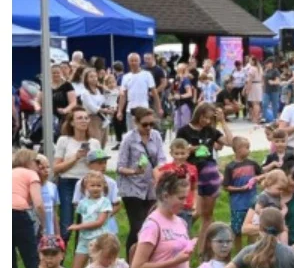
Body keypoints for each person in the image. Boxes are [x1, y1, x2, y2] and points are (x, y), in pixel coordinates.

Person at [174, 103, 232, 239]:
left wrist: (222, 122)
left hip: (208, 174)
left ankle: (202, 250)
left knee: (206, 213)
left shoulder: (210, 131)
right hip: (190, 175)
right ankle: (182, 231)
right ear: (198, 114)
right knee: (193, 211)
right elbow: (177, 150)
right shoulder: (184, 131)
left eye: (209, 119)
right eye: (204, 117)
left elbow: (230, 142)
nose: (206, 121)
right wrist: (193, 148)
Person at [116, 108, 166, 259]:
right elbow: (119, 166)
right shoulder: (129, 139)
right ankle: (131, 260)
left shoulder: (156, 136)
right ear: (136, 122)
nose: (149, 128)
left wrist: (159, 169)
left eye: (152, 124)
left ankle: (146, 258)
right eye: (145, 125)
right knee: (137, 226)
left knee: (149, 225)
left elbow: (161, 158)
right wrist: (134, 171)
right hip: (132, 187)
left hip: (151, 186)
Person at [53, 107, 103, 243]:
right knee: (66, 224)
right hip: (67, 183)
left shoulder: (94, 143)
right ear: (72, 123)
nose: (84, 121)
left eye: (86, 118)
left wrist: (88, 160)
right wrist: (75, 157)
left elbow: (100, 169)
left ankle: (79, 261)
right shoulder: (64, 140)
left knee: (85, 225)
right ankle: (58, 260)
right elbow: (56, 168)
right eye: (79, 118)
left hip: (88, 184)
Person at [14, 149, 46, 268]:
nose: (38, 165)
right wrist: (43, 223)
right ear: (28, 162)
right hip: (19, 215)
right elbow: (39, 203)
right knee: (32, 261)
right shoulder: (30, 175)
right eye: (36, 161)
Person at [222, 137, 262, 253]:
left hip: (253, 202)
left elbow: (262, 175)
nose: (249, 150)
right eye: (247, 148)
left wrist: (257, 179)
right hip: (238, 204)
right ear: (239, 149)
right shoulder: (230, 167)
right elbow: (226, 186)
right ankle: (239, 252)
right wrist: (240, 188)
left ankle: (252, 251)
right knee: (237, 230)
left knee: (252, 228)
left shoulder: (253, 163)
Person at [68, 171, 113, 268]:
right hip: (84, 239)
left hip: (98, 238)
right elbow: (81, 217)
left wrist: (78, 226)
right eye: (92, 185)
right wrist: (79, 227)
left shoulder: (105, 202)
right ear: (86, 187)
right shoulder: (83, 203)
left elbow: (99, 222)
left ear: (103, 186)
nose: (95, 188)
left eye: (98, 185)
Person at [154, 139, 200, 232]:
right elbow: (159, 185)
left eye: (182, 153)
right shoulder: (166, 168)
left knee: (184, 233)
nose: (179, 156)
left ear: (188, 153)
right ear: (171, 153)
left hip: (186, 206)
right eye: (177, 153)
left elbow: (195, 188)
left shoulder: (192, 169)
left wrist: (195, 204)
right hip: (170, 206)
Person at [72, 150, 121, 237]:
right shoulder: (81, 183)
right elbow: (76, 204)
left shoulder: (111, 183)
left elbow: (117, 205)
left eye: (105, 163)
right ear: (89, 164)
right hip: (88, 223)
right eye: (99, 163)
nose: (103, 166)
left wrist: (105, 216)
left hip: (108, 223)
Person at [170, 64, 197, 132]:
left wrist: (180, 96)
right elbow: (174, 92)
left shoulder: (186, 80)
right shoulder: (177, 80)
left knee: (184, 126)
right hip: (177, 105)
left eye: (179, 70)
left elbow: (189, 93)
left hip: (185, 105)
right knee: (177, 126)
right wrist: (172, 97)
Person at [244, 56, 264, 124]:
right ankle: (257, 117)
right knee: (257, 103)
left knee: (254, 103)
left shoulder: (252, 69)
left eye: (250, 60)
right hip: (259, 85)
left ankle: (255, 118)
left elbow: (250, 80)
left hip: (254, 86)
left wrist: (247, 89)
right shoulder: (260, 68)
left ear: (253, 61)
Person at [262, 58, 282, 124]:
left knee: (274, 105)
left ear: (272, 63)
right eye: (266, 63)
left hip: (274, 90)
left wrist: (273, 82)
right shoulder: (266, 71)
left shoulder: (275, 71)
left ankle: (275, 118)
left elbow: (278, 81)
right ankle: (264, 117)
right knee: (264, 103)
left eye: (268, 63)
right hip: (266, 90)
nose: (267, 65)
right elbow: (263, 79)